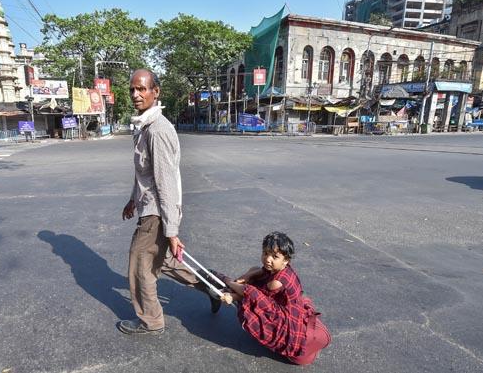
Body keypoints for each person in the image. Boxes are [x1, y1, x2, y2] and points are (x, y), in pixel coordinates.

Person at [118, 68, 220, 336]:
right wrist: (132, 199)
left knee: (140, 263)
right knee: (161, 261)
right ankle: (211, 283)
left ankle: (151, 321)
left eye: (142, 89)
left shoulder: (158, 130)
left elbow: (166, 182)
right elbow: (145, 173)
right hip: (148, 207)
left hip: (157, 213)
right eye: (132, 89)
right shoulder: (145, 127)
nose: (136, 94)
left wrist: (172, 231)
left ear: (156, 92)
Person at [216, 231, 330, 365]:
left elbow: (257, 297)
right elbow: (261, 271)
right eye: (265, 253)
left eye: (274, 256)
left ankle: (229, 284)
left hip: (285, 318)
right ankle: (234, 287)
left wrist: (233, 291)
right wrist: (247, 276)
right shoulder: (282, 268)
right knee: (254, 271)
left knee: (250, 292)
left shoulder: (275, 283)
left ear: (286, 260)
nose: (268, 259)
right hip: (287, 305)